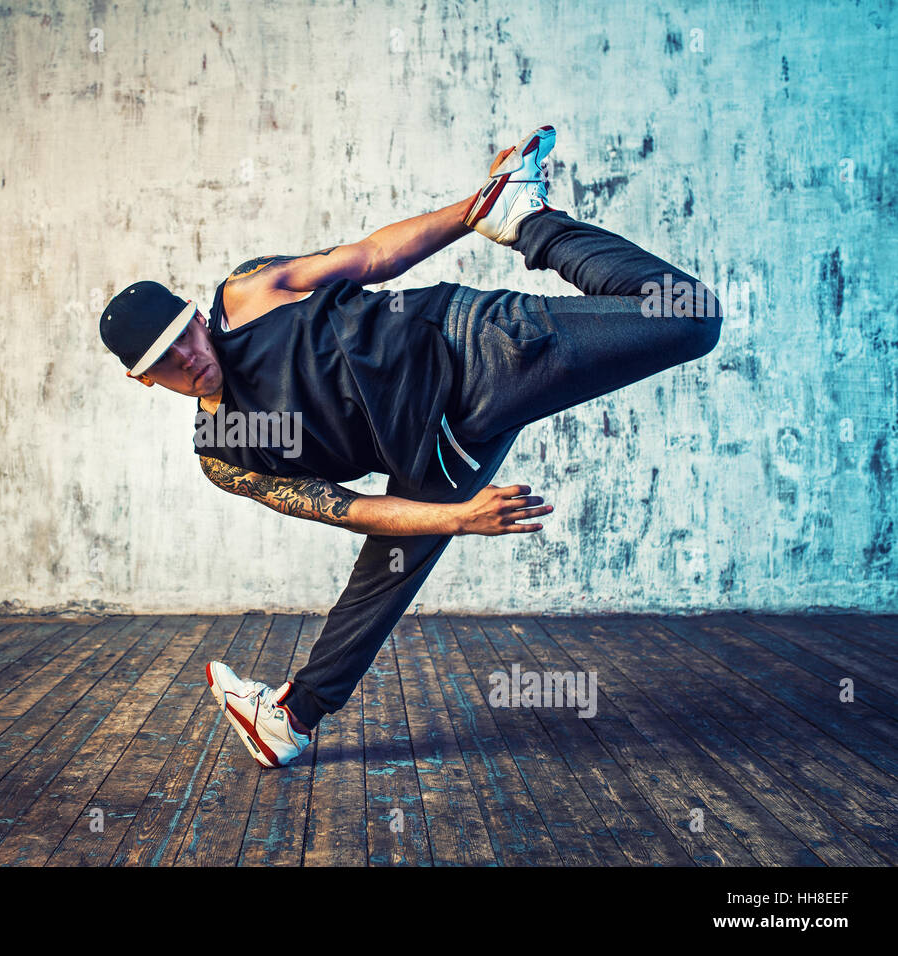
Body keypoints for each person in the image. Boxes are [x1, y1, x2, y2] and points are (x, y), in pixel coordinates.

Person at [97, 125, 721, 768]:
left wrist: (476, 210)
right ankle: (290, 719)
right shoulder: (225, 453)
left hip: (469, 346)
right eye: (164, 362)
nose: (187, 359)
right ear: (141, 379)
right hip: (443, 449)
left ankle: (529, 222)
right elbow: (347, 508)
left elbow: (370, 258)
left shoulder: (246, 295)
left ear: (195, 314)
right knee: (388, 567)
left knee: (689, 316)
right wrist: (458, 518)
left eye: (183, 336)